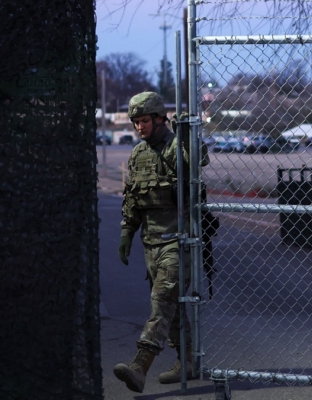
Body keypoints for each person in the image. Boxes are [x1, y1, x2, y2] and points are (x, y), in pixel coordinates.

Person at [114, 91, 208, 393]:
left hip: (177, 241)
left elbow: (197, 160)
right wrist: (127, 232)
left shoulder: (175, 147)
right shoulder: (138, 154)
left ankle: (140, 366)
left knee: (162, 303)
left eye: (145, 121)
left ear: (159, 118)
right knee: (174, 308)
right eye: (136, 122)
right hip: (151, 243)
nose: (140, 127)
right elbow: (132, 198)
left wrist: (187, 136)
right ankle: (189, 361)